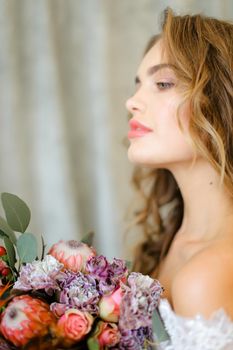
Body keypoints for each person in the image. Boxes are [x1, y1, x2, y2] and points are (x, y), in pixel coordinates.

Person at [126, 7, 233, 350]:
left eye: (163, 83)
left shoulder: (211, 273)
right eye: (139, 84)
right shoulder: (172, 242)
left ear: (219, 100)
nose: (132, 102)